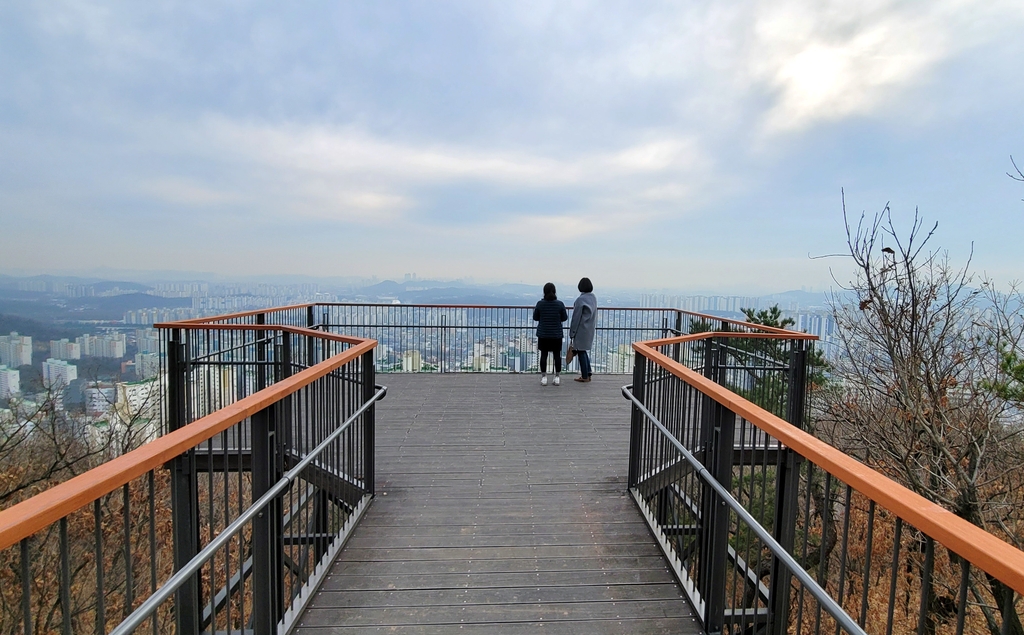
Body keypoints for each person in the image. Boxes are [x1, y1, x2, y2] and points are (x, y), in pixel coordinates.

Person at [533, 282, 567, 386]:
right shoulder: (560, 304)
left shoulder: (540, 304)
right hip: (556, 334)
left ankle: (544, 377)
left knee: (544, 355)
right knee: (557, 355)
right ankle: (557, 377)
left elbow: (535, 317)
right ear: (555, 291)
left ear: (544, 292)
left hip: (543, 334)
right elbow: (564, 318)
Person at [569, 277, 597, 382]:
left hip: (581, 329)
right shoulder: (593, 298)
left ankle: (585, 376)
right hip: (590, 329)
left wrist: (572, 332)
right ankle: (588, 373)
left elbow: (576, 318)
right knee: (583, 351)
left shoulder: (580, 300)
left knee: (580, 352)